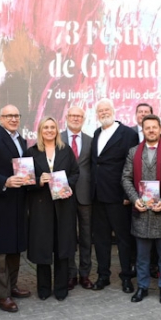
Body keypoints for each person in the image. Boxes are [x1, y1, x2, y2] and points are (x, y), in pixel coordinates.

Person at [122, 114, 161, 305]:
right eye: (147, 127)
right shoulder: (134, 152)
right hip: (141, 212)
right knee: (142, 257)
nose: (151, 130)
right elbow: (125, 177)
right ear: (143, 130)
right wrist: (135, 199)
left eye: (154, 127)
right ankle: (142, 288)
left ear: (160, 129)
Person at [0, 105, 31, 312]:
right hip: (0, 200)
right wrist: (4, 181)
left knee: (15, 247)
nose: (13, 119)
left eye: (16, 116)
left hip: (18, 200)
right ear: (1, 118)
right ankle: (2, 295)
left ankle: (12, 285)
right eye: (9, 116)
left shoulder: (22, 140)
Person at [27, 117, 79, 301]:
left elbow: (75, 173)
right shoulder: (31, 152)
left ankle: (61, 288)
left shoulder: (66, 151)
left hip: (63, 205)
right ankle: (43, 288)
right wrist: (38, 182)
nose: (49, 130)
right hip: (41, 207)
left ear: (57, 130)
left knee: (62, 247)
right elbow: (25, 180)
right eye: (45, 127)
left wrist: (68, 185)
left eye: (52, 127)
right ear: (40, 131)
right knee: (43, 247)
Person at [91, 99, 139, 292]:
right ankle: (103, 276)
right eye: (100, 111)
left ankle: (126, 277)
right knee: (100, 239)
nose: (103, 113)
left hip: (119, 196)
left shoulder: (128, 134)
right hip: (98, 196)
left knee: (123, 239)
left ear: (113, 111)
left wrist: (130, 194)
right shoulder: (96, 133)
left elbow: (133, 166)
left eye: (106, 110)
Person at [61, 106, 94, 289]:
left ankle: (85, 274)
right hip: (63, 192)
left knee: (86, 236)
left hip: (85, 194)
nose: (75, 118)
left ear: (83, 118)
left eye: (79, 116)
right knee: (68, 236)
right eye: (72, 115)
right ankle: (70, 274)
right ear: (66, 117)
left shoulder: (91, 140)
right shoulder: (57, 137)